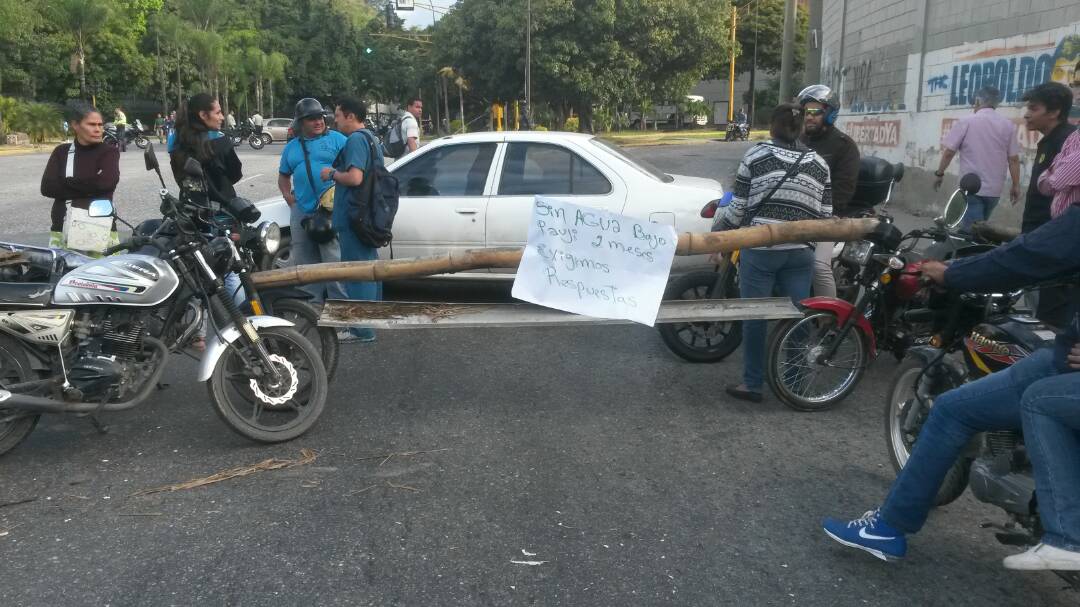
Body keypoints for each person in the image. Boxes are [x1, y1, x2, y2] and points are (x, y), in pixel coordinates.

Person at [821, 204, 1080, 568]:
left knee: (964, 408)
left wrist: (952, 273)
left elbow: (1028, 255)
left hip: (1061, 366)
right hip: (1060, 353)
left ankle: (1067, 537)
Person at [714, 104, 833, 403]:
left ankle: (753, 384)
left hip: (761, 250)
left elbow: (739, 207)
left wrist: (718, 236)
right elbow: (827, 215)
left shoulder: (757, 155)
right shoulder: (819, 163)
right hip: (800, 254)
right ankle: (794, 382)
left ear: (772, 127)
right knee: (797, 318)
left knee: (754, 316)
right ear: (800, 129)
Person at [168, 93, 245, 349]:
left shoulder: (175, 141)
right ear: (204, 115)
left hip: (190, 213)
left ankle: (196, 331)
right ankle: (241, 326)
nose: (222, 117)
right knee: (229, 268)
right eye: (218, 112)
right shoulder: (220, 142)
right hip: (220, 213)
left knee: (196, 272)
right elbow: (235, 174)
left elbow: (180, 179)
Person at [320, 97, 383, 344]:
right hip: (366, 214)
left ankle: (362, 330)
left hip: (354, 216)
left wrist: (332, 173)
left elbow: (355, 178)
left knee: (357, 272)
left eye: (337, 115)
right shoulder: (370, 137)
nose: (334, 121)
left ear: (349, 116)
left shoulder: (356, 139)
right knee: (369, 269)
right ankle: (371, 321)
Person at [277, 98, 349, 309]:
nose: (318, 121)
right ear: (301, 123)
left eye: (320, 117)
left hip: (330, 210)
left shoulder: (338, 140)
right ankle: (311, 309)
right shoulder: (291, 148)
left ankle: (340, 311)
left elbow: (354, 171)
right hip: (301, 211)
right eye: (311, 119)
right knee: (304, 262)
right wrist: (287, 196)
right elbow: (283, 177)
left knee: (334, 263)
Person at [1019, 82, 1076, 328]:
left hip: (1051, 236)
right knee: (1037, 294)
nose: (1026, 113)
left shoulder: (1067, 140)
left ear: (1054, 112)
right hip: (1039, 232)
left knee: (1051, 300)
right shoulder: (1049, 140)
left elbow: (1055, 183)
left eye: (1034, 108)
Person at [797, 84, 860, 300]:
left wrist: (819, 213)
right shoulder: (798, 141)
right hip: (798, 212)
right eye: (806, 112)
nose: (809, 117)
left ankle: (829, 321)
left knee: (818, 267)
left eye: (815, 112)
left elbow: (843, 192)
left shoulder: (845, 146)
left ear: (831, 114)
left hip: (829, 217)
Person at [933, 86, 1021, 229]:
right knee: (980, 230)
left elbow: (949, 152)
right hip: (994, 191)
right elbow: (1013, 159)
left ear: (978, 101)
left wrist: (939, 173)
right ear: (996, 103)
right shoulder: (1008, 125)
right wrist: (1016, 185)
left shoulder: (966, 121)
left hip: (971, 189)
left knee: (971, 235)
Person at [40, 104, 120, 248]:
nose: (98, 129)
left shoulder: (109, 152)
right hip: (62, 228)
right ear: (75, 125)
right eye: (91, 124)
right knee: (63, 271)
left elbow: (107, 182)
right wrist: (91, 185)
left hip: (100, 227)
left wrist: (67, 182)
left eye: (100, 125)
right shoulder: (61, 152)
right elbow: (47, 188)